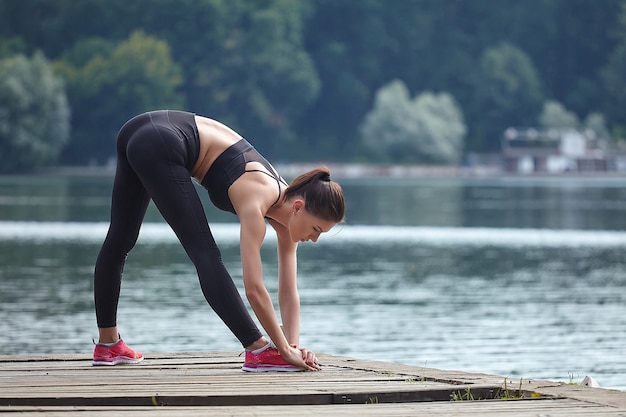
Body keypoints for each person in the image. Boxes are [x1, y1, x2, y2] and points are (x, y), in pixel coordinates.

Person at [92, 110, 345, 372]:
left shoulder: (286, 212)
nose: (314, 239)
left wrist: (292, 348)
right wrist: (279, 349)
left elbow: (289, 293)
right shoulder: (258, 199)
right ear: (298, 207)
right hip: (161, 141)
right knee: (205, 253)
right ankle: (257, 349)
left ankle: (108, 345)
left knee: (120, 239)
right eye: (316, 229)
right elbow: (254, 289)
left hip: (138, 130)